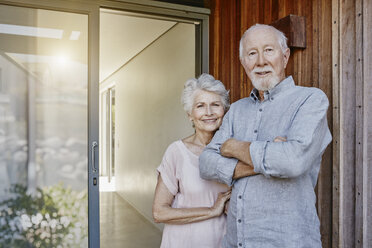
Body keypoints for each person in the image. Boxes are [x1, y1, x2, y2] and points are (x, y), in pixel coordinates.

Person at [199, 24, 332, 248]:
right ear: (244, 63)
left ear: (285, 55)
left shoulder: (310, 100)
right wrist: (270, 152)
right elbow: (206, 163)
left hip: (289, 241)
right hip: (235, 242)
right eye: (252, 53)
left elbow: (292, 161)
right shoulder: (237, 110)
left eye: (269, 50)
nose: (260, 61)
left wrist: (232, 147)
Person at [152, 73, 231, 248]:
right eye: (200, 106)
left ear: (224, 110)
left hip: (223, 242)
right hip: (183, 242)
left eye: (215, 105)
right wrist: (211, 211)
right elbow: (159, 212)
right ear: (190, 114)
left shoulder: (234, 150)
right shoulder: (176, 152)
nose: (209, 112)